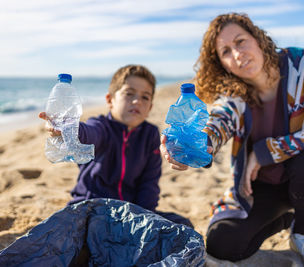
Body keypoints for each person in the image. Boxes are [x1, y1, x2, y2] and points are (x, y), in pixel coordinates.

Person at [160, 13, 304, 266]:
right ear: (223, 64)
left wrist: (265, 151)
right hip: (262, 186)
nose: (237, 54)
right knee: (223, 243)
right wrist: (196, 147)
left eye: (241, 41)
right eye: (226, 52)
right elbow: (218, 123)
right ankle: (287, 219)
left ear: (258, 38)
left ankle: (303, 233)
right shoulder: (233, 96)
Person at [40, 64, 193, 228]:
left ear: (150, 108)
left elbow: (149, 183)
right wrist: (70, 129)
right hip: (91, 211)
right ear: (110, 100)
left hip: (129, 214)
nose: (137, 101)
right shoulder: (101, 127)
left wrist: (144, 218)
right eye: (129, 93)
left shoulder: (150, 134)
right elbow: (90, 134)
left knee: (182, 224)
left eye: (145, 97)